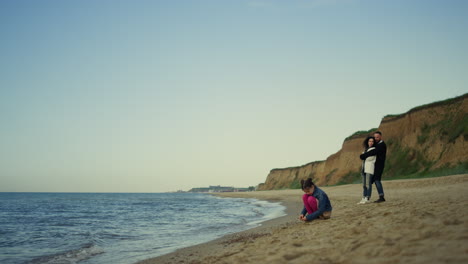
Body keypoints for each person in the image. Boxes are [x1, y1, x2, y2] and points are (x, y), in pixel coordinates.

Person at [360, 131, 387, 203]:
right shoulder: (377, 144)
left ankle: (381, 197)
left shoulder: (381, 145)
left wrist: (364, 155)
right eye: (375, 137)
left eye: (377, 137)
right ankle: (369, 196)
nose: (376, 138)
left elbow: (373, 152)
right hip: (375, 165)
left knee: (377, 180)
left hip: (379, 165)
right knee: (373, 181)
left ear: (381, 137)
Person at [357, 136, 376, 204]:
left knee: (368, 184)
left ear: (374, 143)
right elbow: (362, 157)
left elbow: (369, 159)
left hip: (369, 168)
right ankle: (364, 197)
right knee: (364, 185)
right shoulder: (366, 149)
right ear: (367, 142)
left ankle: (368, 197)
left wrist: (364, 155)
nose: (371, 142)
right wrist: (365, 155)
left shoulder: (374, 149)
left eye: (372, 141)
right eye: (369, 141)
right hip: (364, 169)